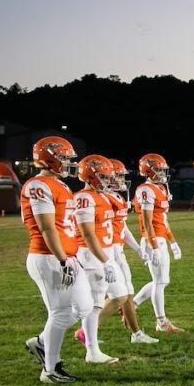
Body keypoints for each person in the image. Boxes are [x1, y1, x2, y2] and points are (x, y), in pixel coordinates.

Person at [20, 136, 93, 384]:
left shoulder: (60, 185)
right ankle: (50, 370)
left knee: (85, 306)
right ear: (49, 158)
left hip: (66, 256)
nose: (68, 163)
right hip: (48, 257)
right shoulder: (38, 185)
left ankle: (42, 342)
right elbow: (47, 228)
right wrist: (63, 259)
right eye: (64, 158)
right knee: (60, 312)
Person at [97, 158, 159, 344]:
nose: (123, 179)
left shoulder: (115, 197)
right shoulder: (102, 198)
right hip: (108, 251)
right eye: (119, 176)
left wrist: (138, 248)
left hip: (116, 250)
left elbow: (122, 228)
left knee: (125, 295)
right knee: (116, 296)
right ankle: (88, 332)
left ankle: (136, 333)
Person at [69, 155, 121, 365]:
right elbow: (88, 235)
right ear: (91, 175)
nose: (108, 179)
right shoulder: (85, 197)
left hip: (100, 254)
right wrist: (106, 261)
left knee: (94, 305)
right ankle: (91, 351)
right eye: (103, 175)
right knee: (88, 306)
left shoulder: (102, 196)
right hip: (91, 257)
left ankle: (92, 349)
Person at [133, 153, 184, 333]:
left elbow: (163, 219)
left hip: (160, 238)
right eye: (159, 170)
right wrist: (153, 246)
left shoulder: (160, 188)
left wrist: (173, 242)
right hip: (152, 239)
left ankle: (133, 304)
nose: (163, 173)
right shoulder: (146, 190)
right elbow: (147, 222)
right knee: (159, 282)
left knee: (161, 281)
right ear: (149, 171)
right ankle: (161, 322)